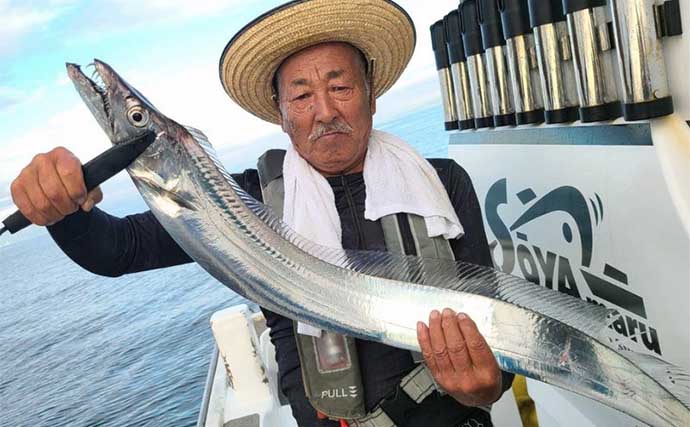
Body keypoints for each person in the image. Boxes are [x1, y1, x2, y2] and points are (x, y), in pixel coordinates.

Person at [10, 1, 513, 426]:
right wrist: (63, 212)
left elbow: (498, 330)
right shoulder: (246, 200)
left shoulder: (441, 182)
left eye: (340, 87)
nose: (324, 110)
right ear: (280, 113)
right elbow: (117, 250)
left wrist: (486, 387)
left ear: (371, 97)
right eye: (301, 95)